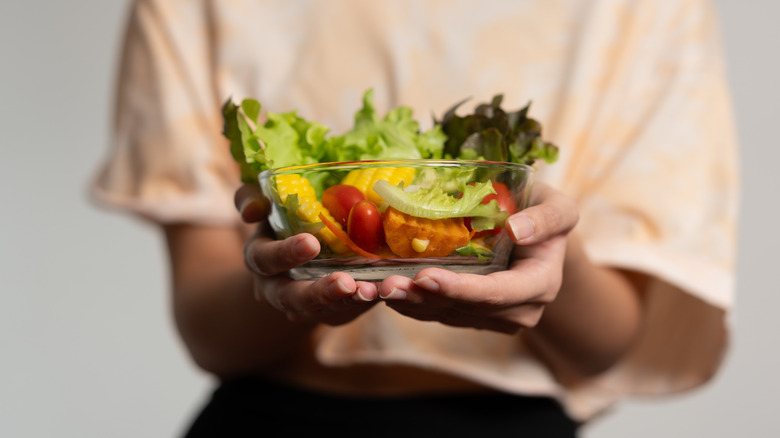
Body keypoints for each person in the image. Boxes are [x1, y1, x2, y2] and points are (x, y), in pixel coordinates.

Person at [91, 0, 739, 436]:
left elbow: (610, 342)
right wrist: (291, 272)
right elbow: (211, 336)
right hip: (267, 417)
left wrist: (538, 250)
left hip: (513, 421)